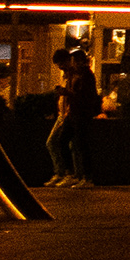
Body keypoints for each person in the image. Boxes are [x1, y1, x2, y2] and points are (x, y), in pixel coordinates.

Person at [46, 45, 101, 190]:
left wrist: (66, 93)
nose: (74, 63)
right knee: (63, 141)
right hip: (72, 113)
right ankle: (71, 174)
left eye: (76, 61)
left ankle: (85, 177)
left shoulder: (86, 75)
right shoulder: (73, 74)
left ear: (81, 61)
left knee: (80, 145)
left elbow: (85, 96)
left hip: (81, 113)